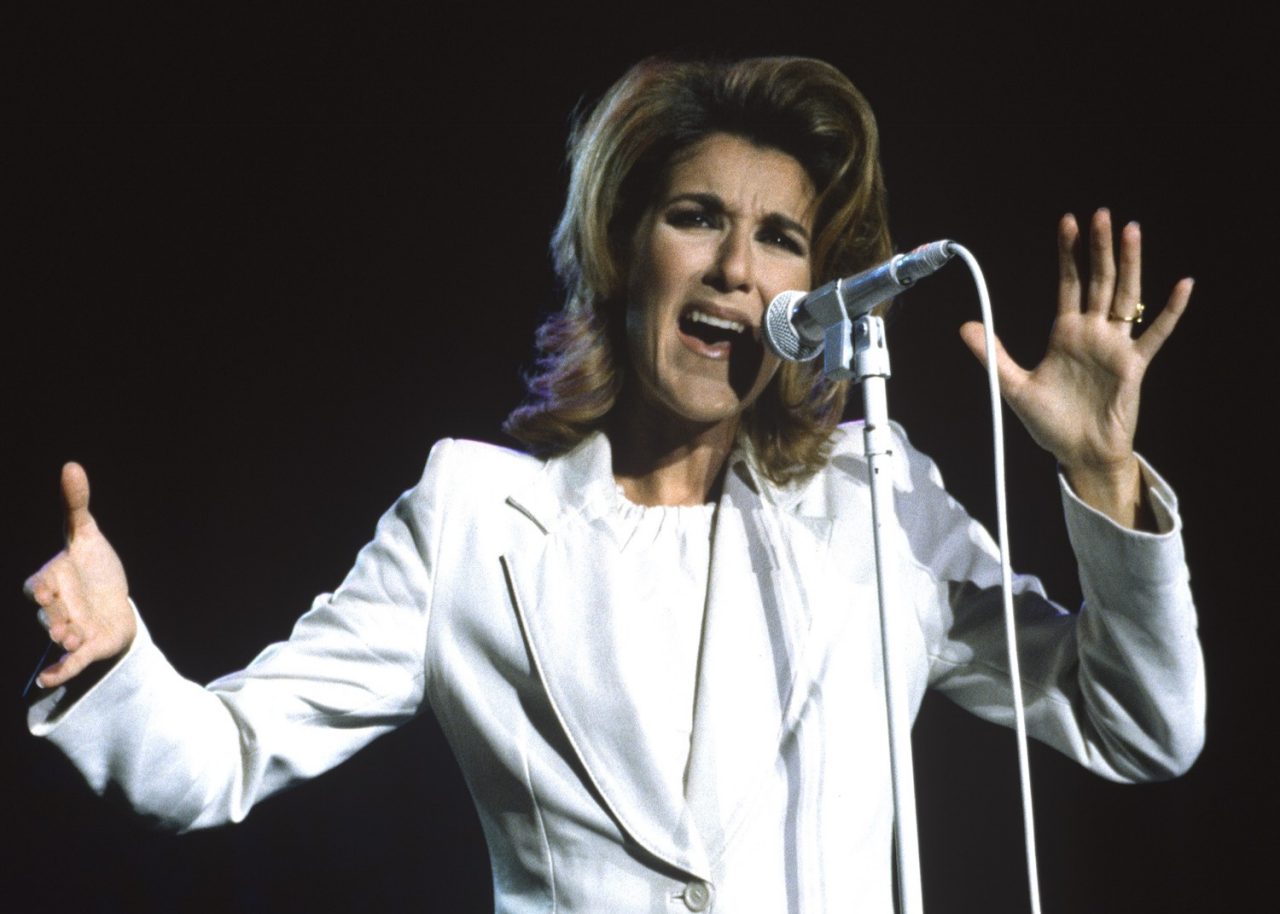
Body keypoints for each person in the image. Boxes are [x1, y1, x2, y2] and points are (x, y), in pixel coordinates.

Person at [24, 57, 1204, 913]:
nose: (737, 268)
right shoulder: (471, 520)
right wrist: (117, 652)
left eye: (781, 239)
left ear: (811, 296)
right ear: (624, 250)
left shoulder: (880, 506)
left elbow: (1139, 724)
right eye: (697, 219)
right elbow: (219, 753)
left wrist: (1097, 469)